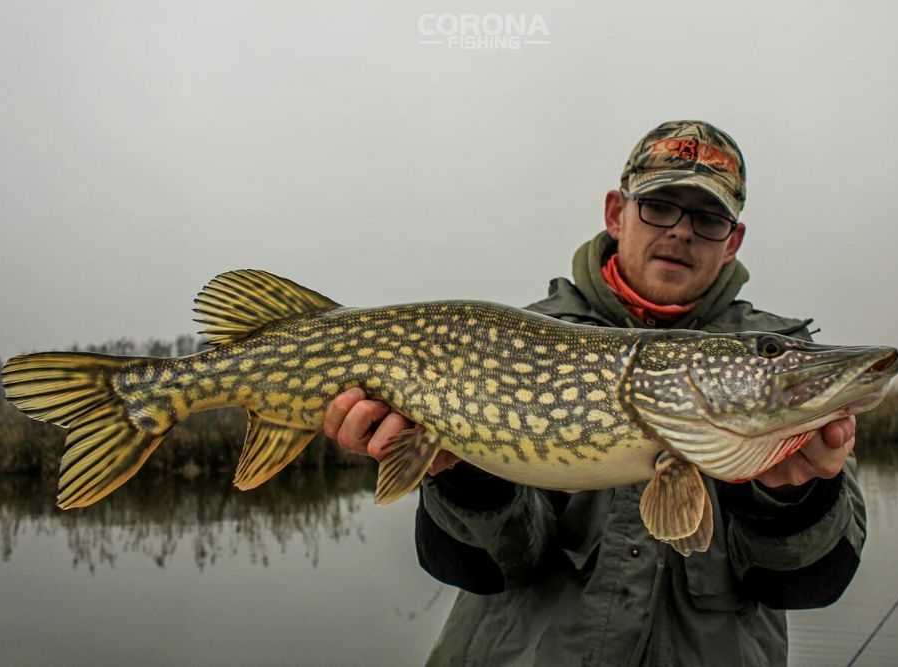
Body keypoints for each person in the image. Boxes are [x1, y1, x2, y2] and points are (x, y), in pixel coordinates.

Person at [324, 120, 865, 666]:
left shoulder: (769, 366)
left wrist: (794, 501)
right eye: (659, 205)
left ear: (733, 242)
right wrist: (463, 475)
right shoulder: (519, 342)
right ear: (616, 213)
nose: (680, 232)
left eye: (708, 218)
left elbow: (810, 584)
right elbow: (489, 567)